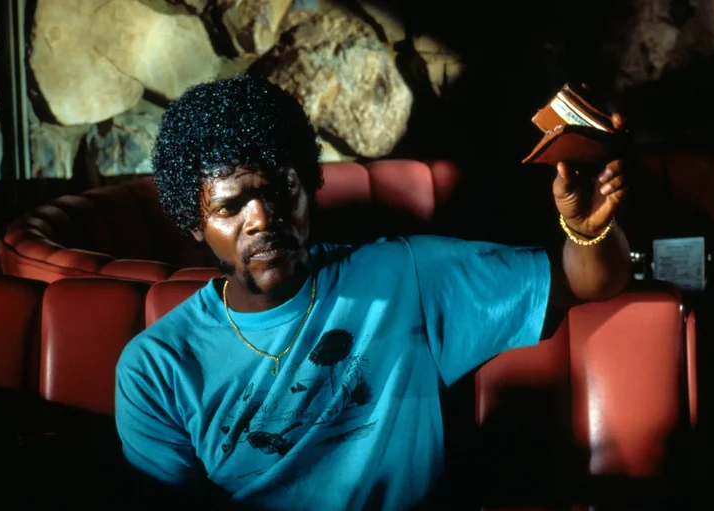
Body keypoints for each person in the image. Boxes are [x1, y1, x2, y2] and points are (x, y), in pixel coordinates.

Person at [114, 74, 631, 509]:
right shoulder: (157, 366)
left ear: (308, 184)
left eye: (280, 189)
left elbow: (585, 281)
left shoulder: (403, 274)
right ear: (194, 223)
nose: (262, 220)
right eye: (230, 207)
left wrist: (586, 229)